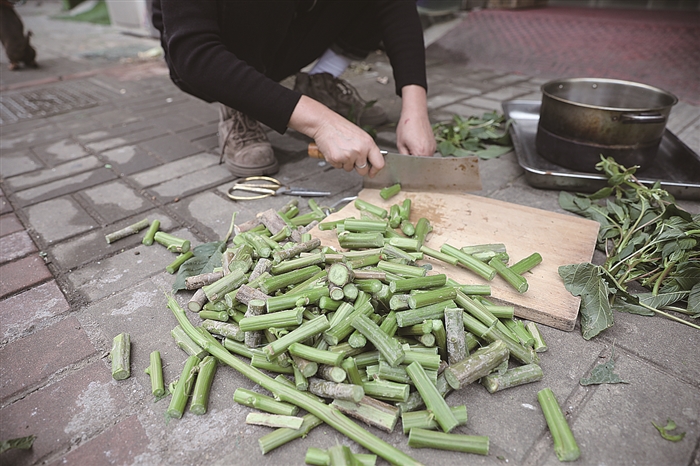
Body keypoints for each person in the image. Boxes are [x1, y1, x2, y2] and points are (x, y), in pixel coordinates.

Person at [151, 1, 436, 178]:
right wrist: (321, 123)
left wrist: (415, 109)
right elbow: (193, 54)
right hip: (214, 57)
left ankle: (320, 80)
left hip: (286, 31)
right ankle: (241, 102)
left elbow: (395, 6)